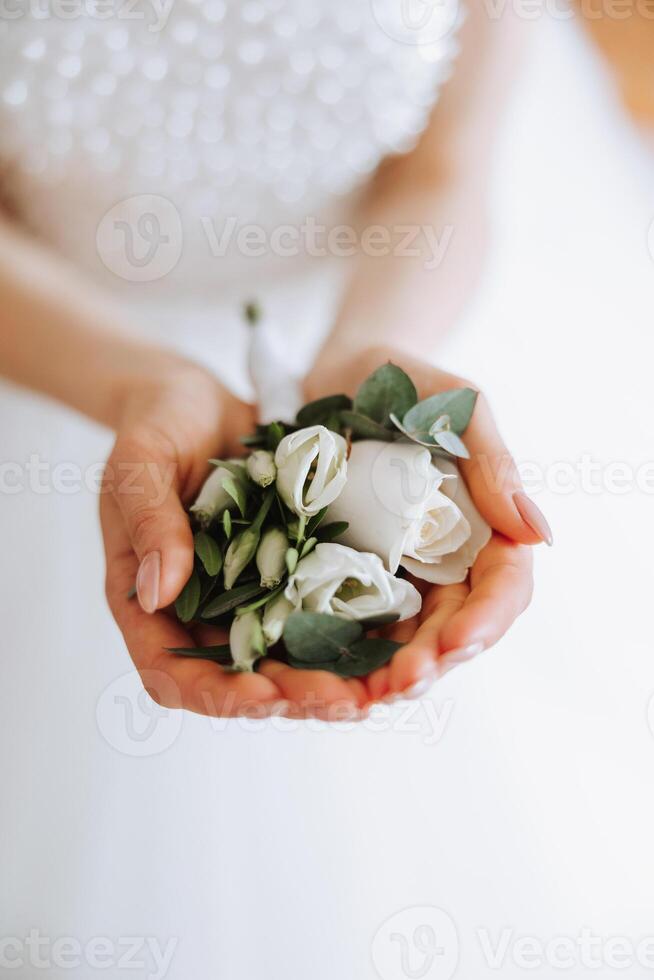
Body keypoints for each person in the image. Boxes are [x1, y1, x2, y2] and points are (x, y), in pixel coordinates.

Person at [0, 3, 550, 721]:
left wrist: (372, 346)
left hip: (371, 289)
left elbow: (446, 164)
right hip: (60, 336)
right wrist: (137, 382)